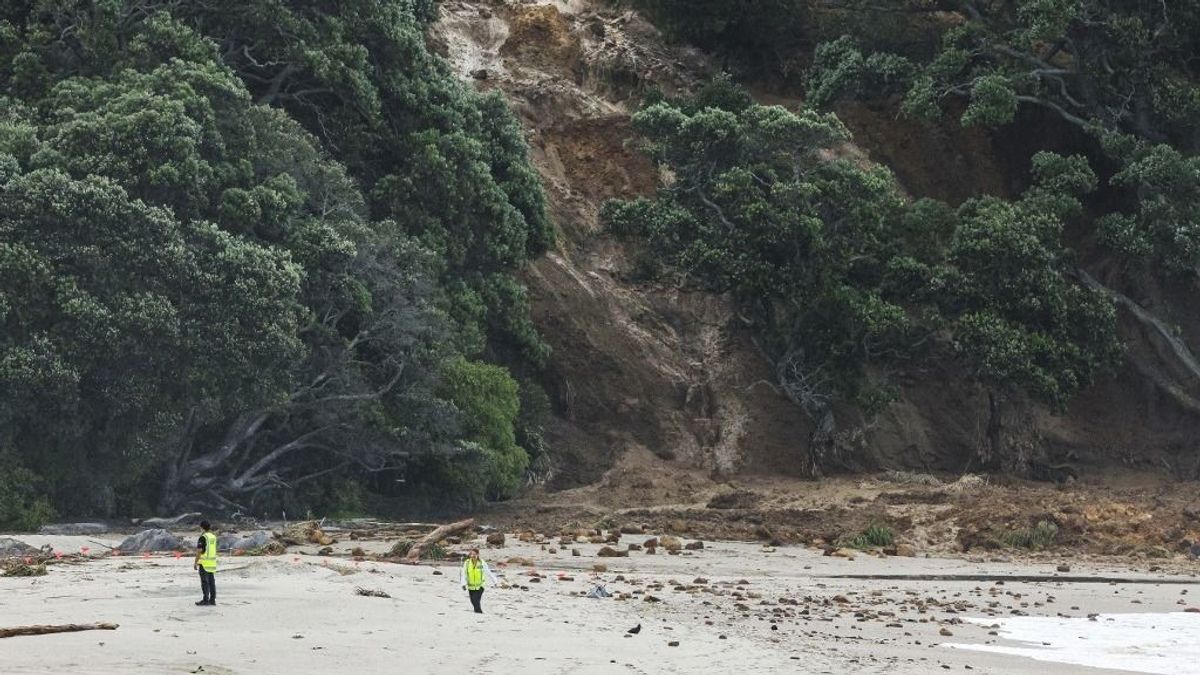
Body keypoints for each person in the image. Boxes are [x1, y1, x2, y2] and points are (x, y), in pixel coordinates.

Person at [458, 548, 499, 614]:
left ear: (478, 554)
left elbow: (488, 572)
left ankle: (479, 614)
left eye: (474, 554)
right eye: (471, 554)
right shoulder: (467, 563)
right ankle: (477, 612)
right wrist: (463, 584)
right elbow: (464, 574)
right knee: (473, 601)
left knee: (476, 600)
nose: (473, 555)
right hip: (471, 586)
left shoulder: (482, 563)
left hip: (480, 586)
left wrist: (495, 581)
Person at [193, 520, 218, 606]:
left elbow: (200, 550)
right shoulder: (213, 537)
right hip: (212, 563)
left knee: (205, 582)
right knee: (212, 582)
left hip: (204, 563)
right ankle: (212, 600)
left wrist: (195, 562)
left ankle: (205, 600)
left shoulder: (203, 537)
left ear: (202, 527)